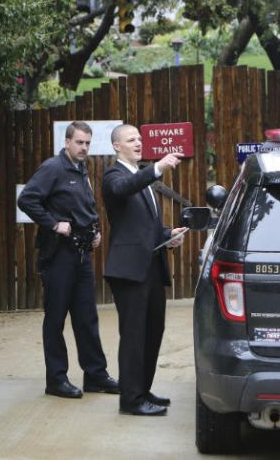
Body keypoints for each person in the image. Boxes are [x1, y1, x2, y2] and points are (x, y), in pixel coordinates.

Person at [17, 121, 119, 399]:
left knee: (87, 317)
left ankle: (96, 375)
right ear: (67, 142)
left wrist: (95, 231)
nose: (84, 147)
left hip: (81, 254)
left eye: (87, 143)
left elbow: (86, 206)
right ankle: (56, 380)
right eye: (79, 142)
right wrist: (53, 224)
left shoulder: (81, 168)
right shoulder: (53, 168)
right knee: (56, 319)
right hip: (58, 254)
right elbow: (27, 199)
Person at [102, 124, 187, 416]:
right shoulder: (115, 175)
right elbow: (122, 189)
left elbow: (145, 227)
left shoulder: (143, 180)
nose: (138, 143)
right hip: (128, 271)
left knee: (153, 330)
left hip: (151, 265)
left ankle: (142, 389)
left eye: (139, 138)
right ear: (117, 146)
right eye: (131, 139)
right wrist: (157, 168)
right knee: (134, 334)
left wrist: (168, 236)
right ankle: (130, 400)